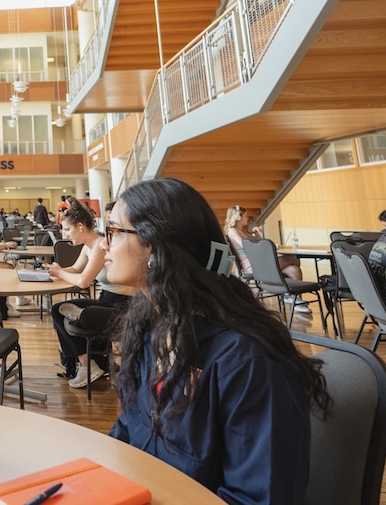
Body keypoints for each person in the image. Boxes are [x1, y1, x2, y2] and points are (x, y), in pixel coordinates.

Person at [106, 178, 329, 504]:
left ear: (153, 245)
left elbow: (260, 497)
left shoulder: (247, 363)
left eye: (113, 231)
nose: (102, 245)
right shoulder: (147, 328)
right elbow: (129, 426)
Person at [46, 198, 133, 386]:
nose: (66, 235)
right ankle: (86, 363)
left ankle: (82, 316)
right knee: (57, 310)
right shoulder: (87, 247)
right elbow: (76, 269)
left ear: (80, 226)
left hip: (122, 305)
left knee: (88, 314)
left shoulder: (100, 245)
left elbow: (84, 281)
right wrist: (55, 271)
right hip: (106, 300)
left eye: (68, 230)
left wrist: (61, 272)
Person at [224, 205, 307, 313]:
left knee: (294, 270)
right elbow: (248, 247)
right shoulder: (233, 231)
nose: (247, 218)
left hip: (259, 263)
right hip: (253, 266)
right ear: (238, 217)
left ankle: (295, 299)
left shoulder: (242, 231)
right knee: (294, 260)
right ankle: (289, 295)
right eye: (245, 216)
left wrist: (258, 234)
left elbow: (258, 242)